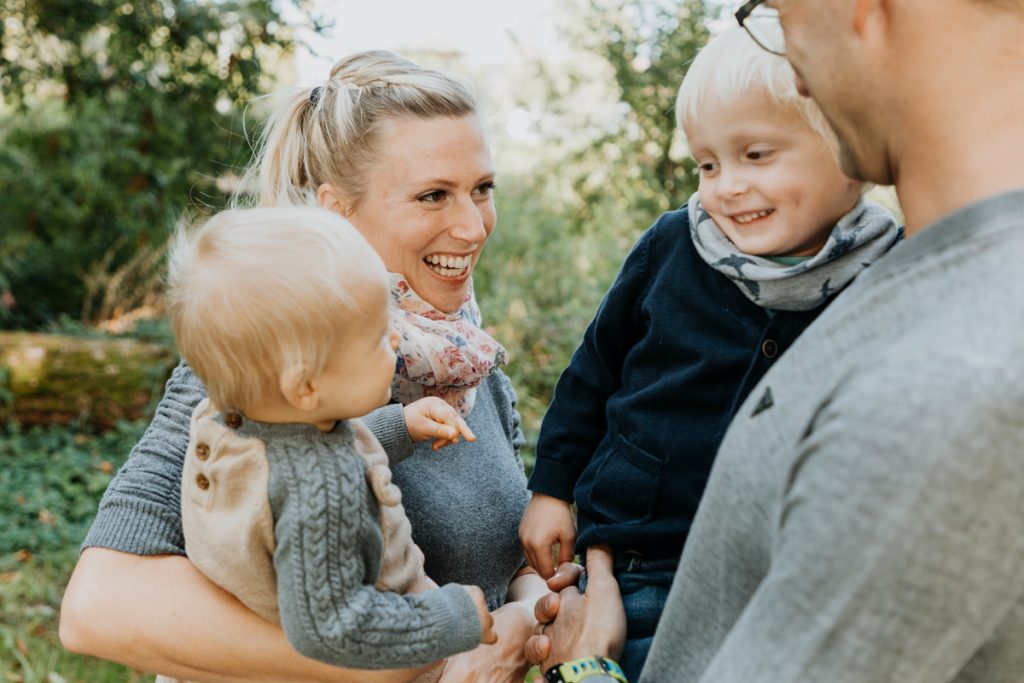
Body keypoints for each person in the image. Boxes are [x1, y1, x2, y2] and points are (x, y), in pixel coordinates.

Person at [526, 1, 1024, 681]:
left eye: (773, 5)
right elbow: (597, 368)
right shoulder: (931, 298)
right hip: (630, 565)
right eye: (708, 164)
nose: (777, 32)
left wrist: (580, 673)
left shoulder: (944, 382)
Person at [60, 51, 546, 683]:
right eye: (433, 195)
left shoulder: (472, 365)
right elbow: (101, 606)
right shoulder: (262, 362)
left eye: (482, 189)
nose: (472, 224)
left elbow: (512, 561)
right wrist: (421, 663)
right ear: (336, 208)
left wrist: (536, 610)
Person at [153, 206, 497, 683]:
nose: (395, 336)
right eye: (377, 336)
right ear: (305, 387)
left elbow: (289, 464)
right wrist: (451, 617)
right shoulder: (323, 493)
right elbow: (333, 627)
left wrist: (400, 425)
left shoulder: (227, 419)